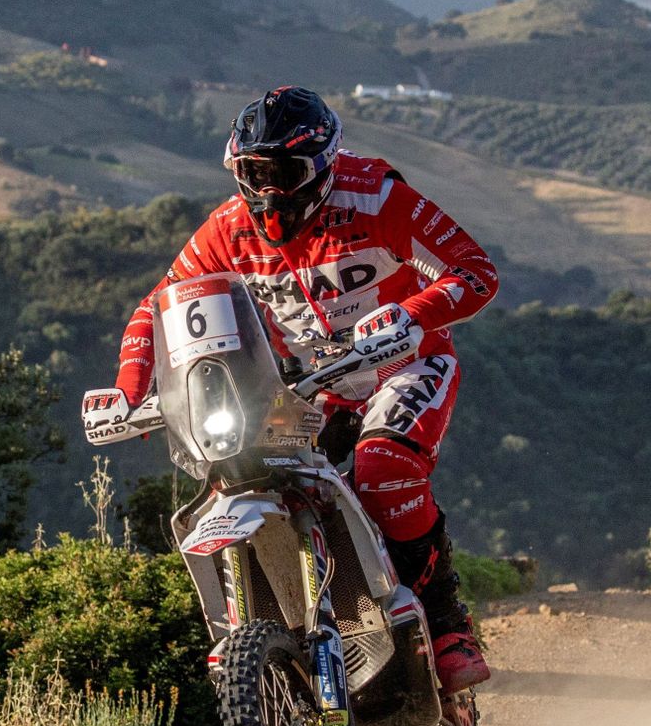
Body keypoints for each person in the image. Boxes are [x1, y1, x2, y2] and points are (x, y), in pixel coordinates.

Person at [111, 85, 497, 694]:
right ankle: (305, 630)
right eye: (252, 172)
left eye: (282, 172)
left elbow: (475, 274)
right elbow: (156, 309)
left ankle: (448, 627)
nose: (267, 190)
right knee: (243, 469)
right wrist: (129, 390)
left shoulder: (376, 197)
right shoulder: (228, 231)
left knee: (383, 469)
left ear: (320, 168)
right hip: (313, 387)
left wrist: (413, 315)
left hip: (407, 365)